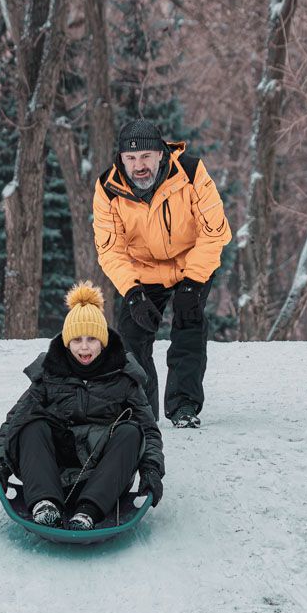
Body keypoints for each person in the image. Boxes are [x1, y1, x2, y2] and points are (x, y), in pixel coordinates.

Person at [0, 283, 164, 530]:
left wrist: (151, 469)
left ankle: (88, 511)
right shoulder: (49, 375)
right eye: (77, 339)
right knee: (31, 424)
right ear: (67, 342)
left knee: (132, 432)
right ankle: (45, 504)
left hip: (105, 474)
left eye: (92, 339)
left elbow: (149, 429)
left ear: (103, 341)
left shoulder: (124, 377)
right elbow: (14, 421)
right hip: (53, 472)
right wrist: (0, 464)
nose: (84, 347)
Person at [93, 118, 232, 427]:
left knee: (189, 325)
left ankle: (184, 406)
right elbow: (110, 249)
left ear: (160, 153)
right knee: (132, 335)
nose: (138, 165)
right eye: (130, 158)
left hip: (191, 261)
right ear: (121, 159)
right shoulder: (108, 189)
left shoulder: (192, 172)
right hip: (143, 270)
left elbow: (215, 233)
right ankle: (141, 410)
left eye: (145, 156)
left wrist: (193, 285)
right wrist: (132, 292)